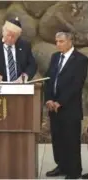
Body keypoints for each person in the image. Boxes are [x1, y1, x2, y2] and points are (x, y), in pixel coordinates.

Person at [44, 30, 88, 179]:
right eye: (56, 42)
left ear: (70, 42)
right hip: (53, 107)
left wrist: (60, 102)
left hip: (70, 108)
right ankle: (61, 166)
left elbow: (76, 85)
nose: (58, 44)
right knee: (58, 139)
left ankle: (73, 171)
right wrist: (49, 99)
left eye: (61, 41)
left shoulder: (80, 60)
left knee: (71, 140)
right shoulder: (55, 57)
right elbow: (49, 79)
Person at [0, 17, 37, 83]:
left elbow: (32, 65)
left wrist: (25, 75)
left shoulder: (24, 46)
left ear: (18, 36)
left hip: (19, 87)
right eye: (8, 35)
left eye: (13, 36)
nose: (10, 38)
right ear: (3, 32)